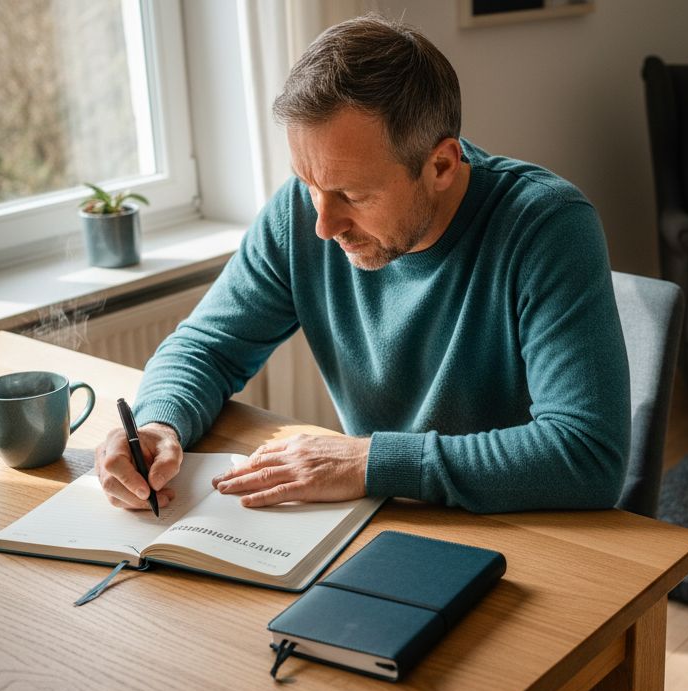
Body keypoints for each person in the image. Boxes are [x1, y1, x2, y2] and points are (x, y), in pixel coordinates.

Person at [94, 15, 629, 515]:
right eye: (309, 183)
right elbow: (207, 346)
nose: (323, 225)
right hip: (379, 513)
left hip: (521, 527)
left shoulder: (547, 226)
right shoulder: (301, 212)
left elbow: (587, 455)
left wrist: (369, 462)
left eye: (352, 194)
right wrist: (158, 422)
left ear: (441, 164)